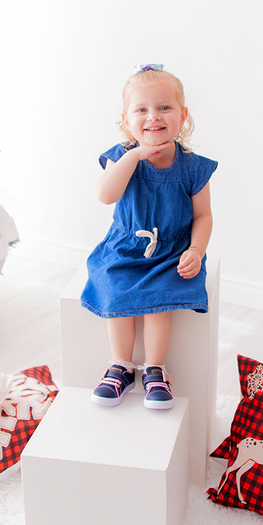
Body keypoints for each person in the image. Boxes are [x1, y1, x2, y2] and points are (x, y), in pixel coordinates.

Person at [81, 65, 217, 410]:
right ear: (126, 120)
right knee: (116, 290)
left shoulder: (192, 166)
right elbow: (106, 195)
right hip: (126, 248)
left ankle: (156, 368)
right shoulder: (121, 156)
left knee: (160, 301)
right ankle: (120, 366)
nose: (153, 117)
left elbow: (203, 216)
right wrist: (136, 154)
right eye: (141, 109)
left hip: (170, 251)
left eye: (164, 107)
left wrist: (197, 250)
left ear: (182, 116)